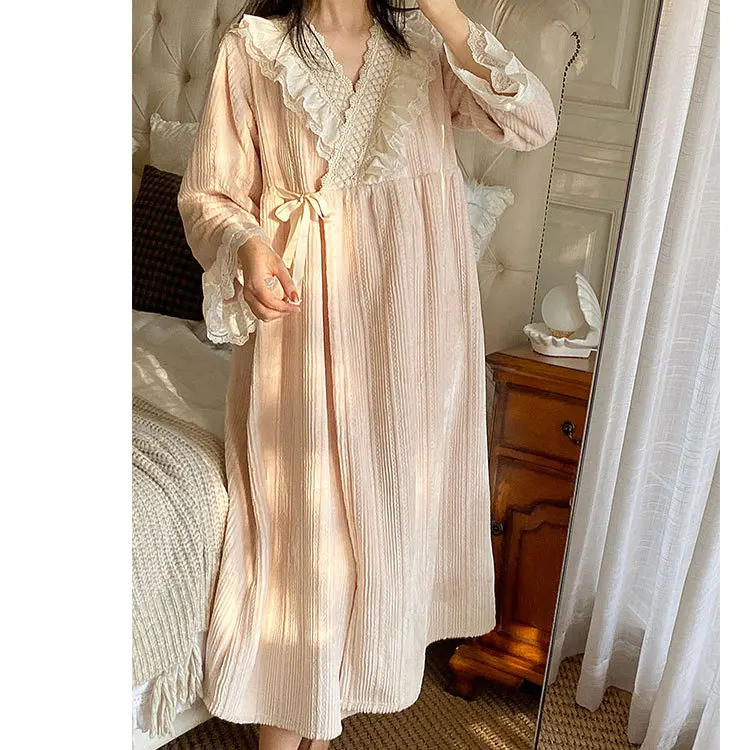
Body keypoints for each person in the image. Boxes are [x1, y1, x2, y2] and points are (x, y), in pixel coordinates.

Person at [177, 0, 556, 747]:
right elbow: (209, 195)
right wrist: (249, 244)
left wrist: (446, 14)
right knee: (300, 533)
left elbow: (532, 122)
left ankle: (322, 719)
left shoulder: (427, 46)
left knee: (376, 530)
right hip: (301, 322)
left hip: (410, 337)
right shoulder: (255, 49)